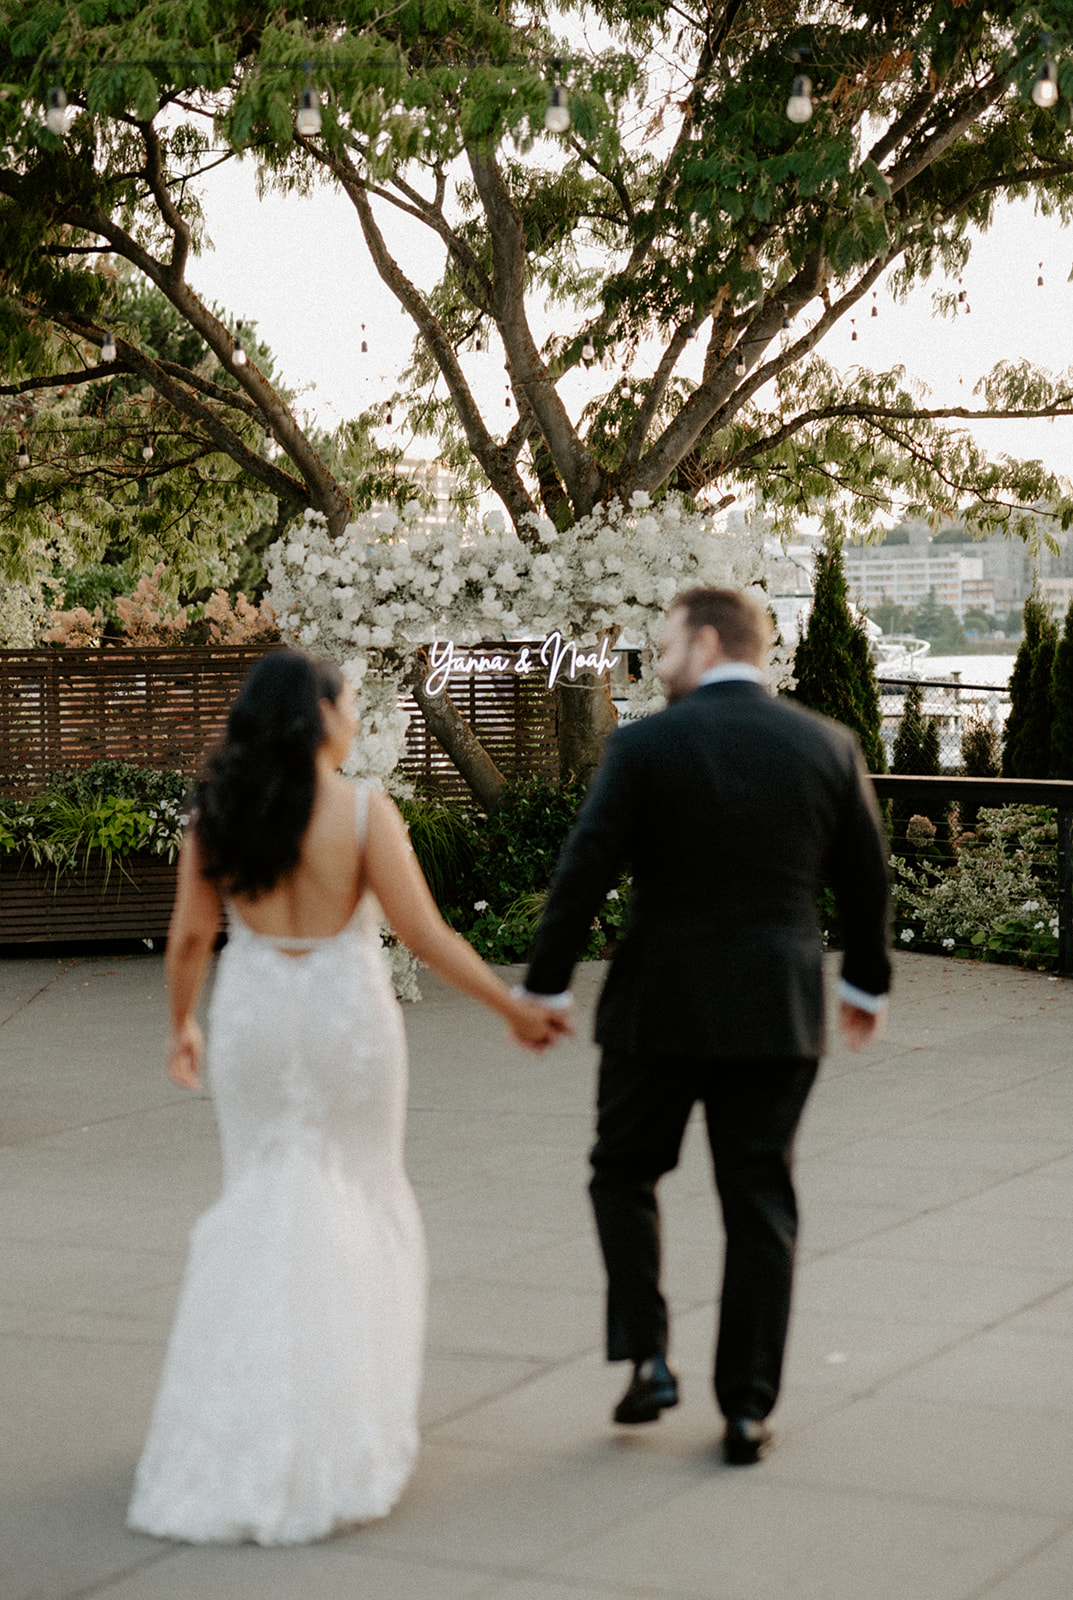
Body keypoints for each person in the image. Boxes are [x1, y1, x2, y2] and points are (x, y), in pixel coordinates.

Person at [127, 649, 567, 1545]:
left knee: (263, 1195)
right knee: (360, 1199)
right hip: (345, 1024)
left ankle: (243, 1423)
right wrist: (508, 1007)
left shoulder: (215, 814)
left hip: (253, 1017)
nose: (359, 712)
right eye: (351, 698)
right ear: (318, 713)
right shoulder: (365, 812)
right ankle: (341, 1421)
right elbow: (424, 933)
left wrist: (183, 1026)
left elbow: (187, 940)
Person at [522, 587, 891, 1465]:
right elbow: (867, 879)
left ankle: (648, 1357)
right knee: (759, 1202)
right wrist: (866, 987)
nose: (657, 659)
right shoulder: (827, 746)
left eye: (664, 643)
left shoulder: (645, 744)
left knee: (621, 1173)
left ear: (705, 637)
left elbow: (584, 870)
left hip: (659, 1005)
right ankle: (746, 1412)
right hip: (777, 1008)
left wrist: (545, 987)